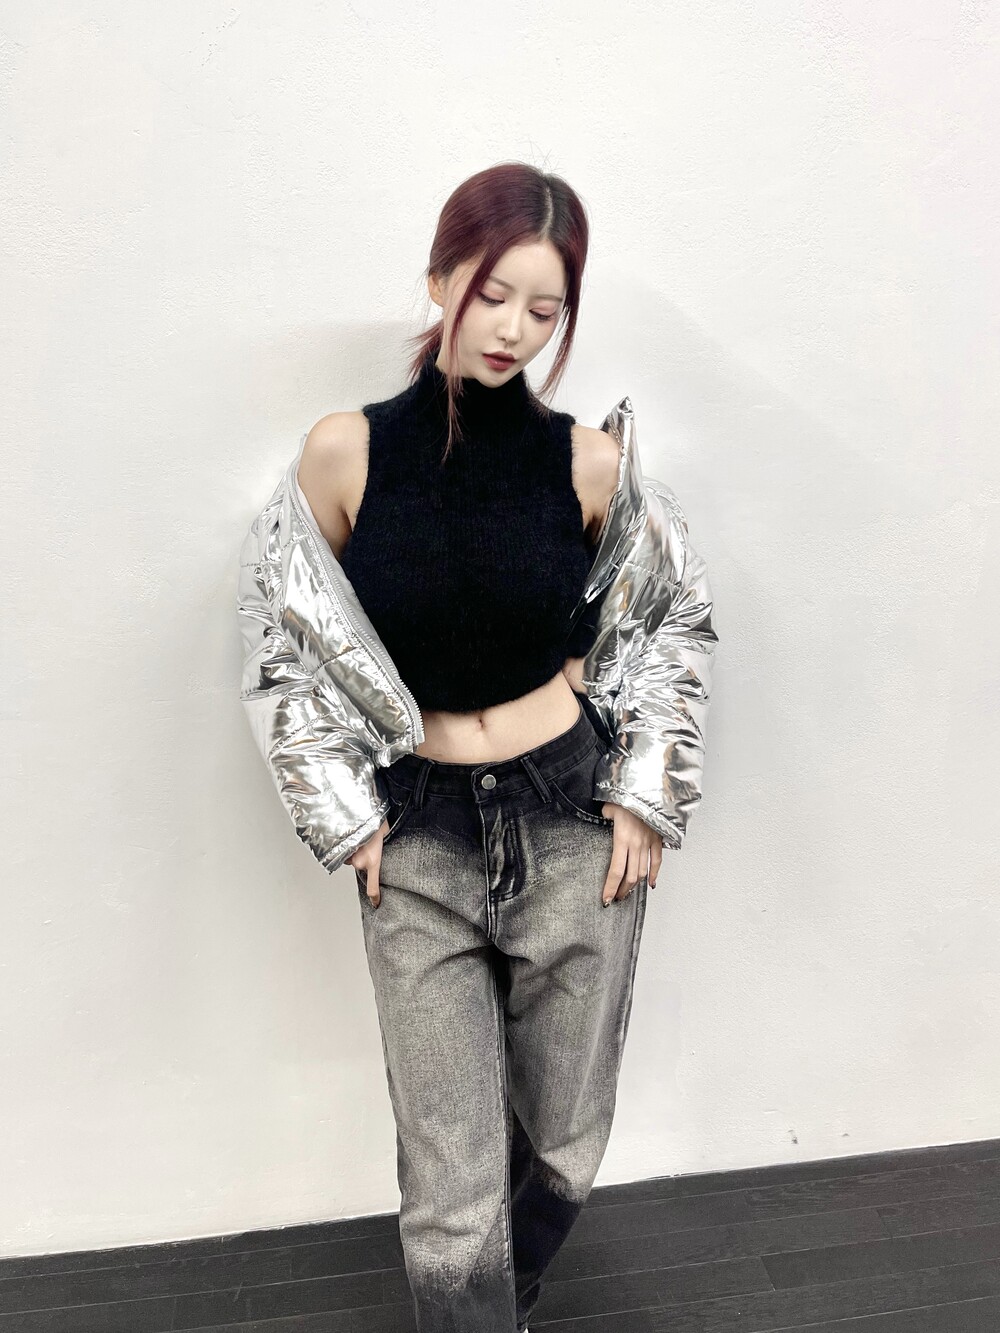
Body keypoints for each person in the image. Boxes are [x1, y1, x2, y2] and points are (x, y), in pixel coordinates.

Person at [236, 162, 718, 1333]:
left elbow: (666, 624)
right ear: (441, 274)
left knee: (563, 1138)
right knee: (450, 1181)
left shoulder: (587, 466)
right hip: (419, 839)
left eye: (544, 309)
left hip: (570, 822)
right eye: (493, 292)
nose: (512, 329)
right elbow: (285, 639)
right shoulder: (345, 453)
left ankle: (498, 1302)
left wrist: (645, 792)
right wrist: (346, 815)